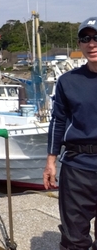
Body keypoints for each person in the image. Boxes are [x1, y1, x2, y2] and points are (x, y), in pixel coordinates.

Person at [43, 16, 97, 250]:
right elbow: (58, 121)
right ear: (79, 44)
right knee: (74, 238)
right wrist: (51, 161)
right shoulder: (67, 81)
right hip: (77, 167)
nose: (92, 43)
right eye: (85, 38)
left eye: (96, 37)